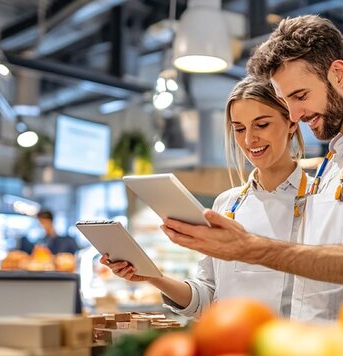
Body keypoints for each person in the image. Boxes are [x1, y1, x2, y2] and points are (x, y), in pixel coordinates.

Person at [159, 15, 343, 321]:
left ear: (337, 73)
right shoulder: (335, 159)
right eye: (285, 100)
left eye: (299, 96)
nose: (294, 114)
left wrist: (251, 249)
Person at [101, 76, 309, 318]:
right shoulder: (226, 204)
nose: (249, 140)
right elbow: (206, 297)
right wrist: (152, 277)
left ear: (292, 122)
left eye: (261, 125)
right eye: (239, 129)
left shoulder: (319, 199)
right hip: (227, 347)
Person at [16, 210, 81, 255]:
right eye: (41, 222)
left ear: (50, 221)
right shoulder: (42, 240)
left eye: (43, 222)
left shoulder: (66, 241)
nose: (42, 225)